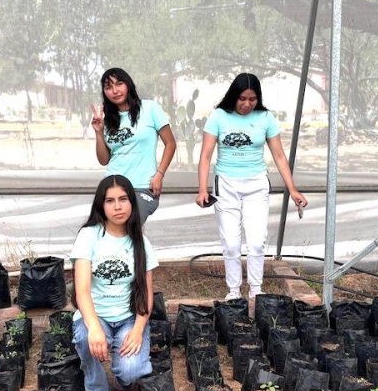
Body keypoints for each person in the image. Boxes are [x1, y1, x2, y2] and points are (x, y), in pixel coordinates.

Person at [196, 72, 308, 301]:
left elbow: (279, 155)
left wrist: (293, 189)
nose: (247, 104)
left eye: (252, 99)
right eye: (242, 99)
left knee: (257, 241)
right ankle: (234, 291)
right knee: (231, 242)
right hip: (226, 184)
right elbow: (206, 156)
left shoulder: (265, 118)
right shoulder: (218, 116)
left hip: (256, 183)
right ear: (233, 96)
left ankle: (256, 289)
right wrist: (202, 189)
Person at [71, 174, 158, 391]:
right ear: (101, 205)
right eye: (110, 201)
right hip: (95, 314)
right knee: (85, 338)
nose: (117, 206)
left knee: (132, 370)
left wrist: (139, 329)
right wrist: (95, 328)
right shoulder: (89, 236)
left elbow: (147, 292)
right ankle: (96, 388)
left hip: (128, 317)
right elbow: (82, 290)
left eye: (123, 199)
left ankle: (122, 378)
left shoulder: (141, 242)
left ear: (132, 202)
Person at [91, 68, 176, 224]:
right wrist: (99, 132)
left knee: (130, 228)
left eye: (119, 84)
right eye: (108, 87)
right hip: (113, 185)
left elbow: (170, 144)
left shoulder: (150, 108)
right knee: (109, 233)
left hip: (143, 185)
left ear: (128, 85)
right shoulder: (108, 120)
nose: (115, 90)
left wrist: (159, 175)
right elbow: (104, 160)